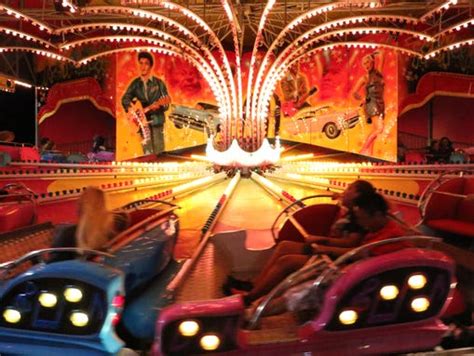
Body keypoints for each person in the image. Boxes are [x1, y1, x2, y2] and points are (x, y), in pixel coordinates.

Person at [251, 191, 410, 318]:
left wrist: (326, 249)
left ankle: (252, 312)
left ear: (377, 215)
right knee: (295, 281)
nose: (361, 224)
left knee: (298, 291)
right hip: (351, 273)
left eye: (363, 219)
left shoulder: (391, 235)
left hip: (359, 281)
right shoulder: (377, 229)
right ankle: (255, 303)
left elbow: (358, 253)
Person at [226, 180, 376, 304]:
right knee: (284, 245)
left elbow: (350, 244)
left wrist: (322, 242)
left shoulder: (359, 216)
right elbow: (341, 204)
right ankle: (254, 285)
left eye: (349, 188)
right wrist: (341, 198)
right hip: (326, 250)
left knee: (286, 261)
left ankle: (250, 298)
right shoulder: (352, 210)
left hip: (332, 257)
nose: (345, 189)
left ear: (357, 195)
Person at [50, 187, 130, 261]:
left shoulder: (69, 234)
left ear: (81, 207)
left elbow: (55, 265)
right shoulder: (119, 223)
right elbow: (123, 215)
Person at [121, 52, 170, 155]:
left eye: (146, 63)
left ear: (151, 66)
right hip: (142, 123)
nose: (143, 66)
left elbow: (166, 105)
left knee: (159, 153)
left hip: (157, 121)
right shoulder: (135, 84)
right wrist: (133, 112)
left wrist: (158, 106)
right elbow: (125, 99)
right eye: (141, 63)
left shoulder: (159, 83)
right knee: (147, 154)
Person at [352, 51, 385, 156]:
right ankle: (364, 149)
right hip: (372, 104)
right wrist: (362, 99)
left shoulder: (378, 73)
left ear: (372, 62)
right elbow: (354, 93)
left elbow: (382, 55)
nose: (366, 65)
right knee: (379, 129)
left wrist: (375, 54)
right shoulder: (365, 78)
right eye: (364, 64)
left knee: (375, 130)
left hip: (380, 103)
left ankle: (370, 153)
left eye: (368, 62)